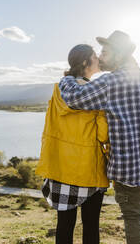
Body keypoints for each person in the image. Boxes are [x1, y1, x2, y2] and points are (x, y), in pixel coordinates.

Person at [59, 30, 140, 244]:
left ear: (120, 54)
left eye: (105, 52)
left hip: (127, 169)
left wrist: (68, 79)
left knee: (132, 216)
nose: (100, 57)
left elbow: (74, 98)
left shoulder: (111, 82)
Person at [35, 44, 109, 244]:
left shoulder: (59, 90)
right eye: (95, 56)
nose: (99, 59)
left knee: (65, 225)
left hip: (61, 168)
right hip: (89, 169)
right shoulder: (93, 93)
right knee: (91, 225)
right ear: (86, 62)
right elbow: (103, 133)